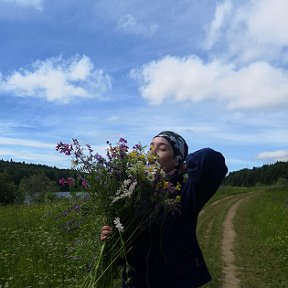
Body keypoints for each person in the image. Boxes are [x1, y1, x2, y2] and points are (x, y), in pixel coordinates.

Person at [100, 131, 228, 288]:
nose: (153, 152)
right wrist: (111, 239)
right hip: (135, 282)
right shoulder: (134, 194)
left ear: (176, 159)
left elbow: (210, 159)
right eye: (151, 147)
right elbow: (125, 248)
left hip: (175, 281)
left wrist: (185, 163)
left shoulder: (186, 193)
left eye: (162, 148)